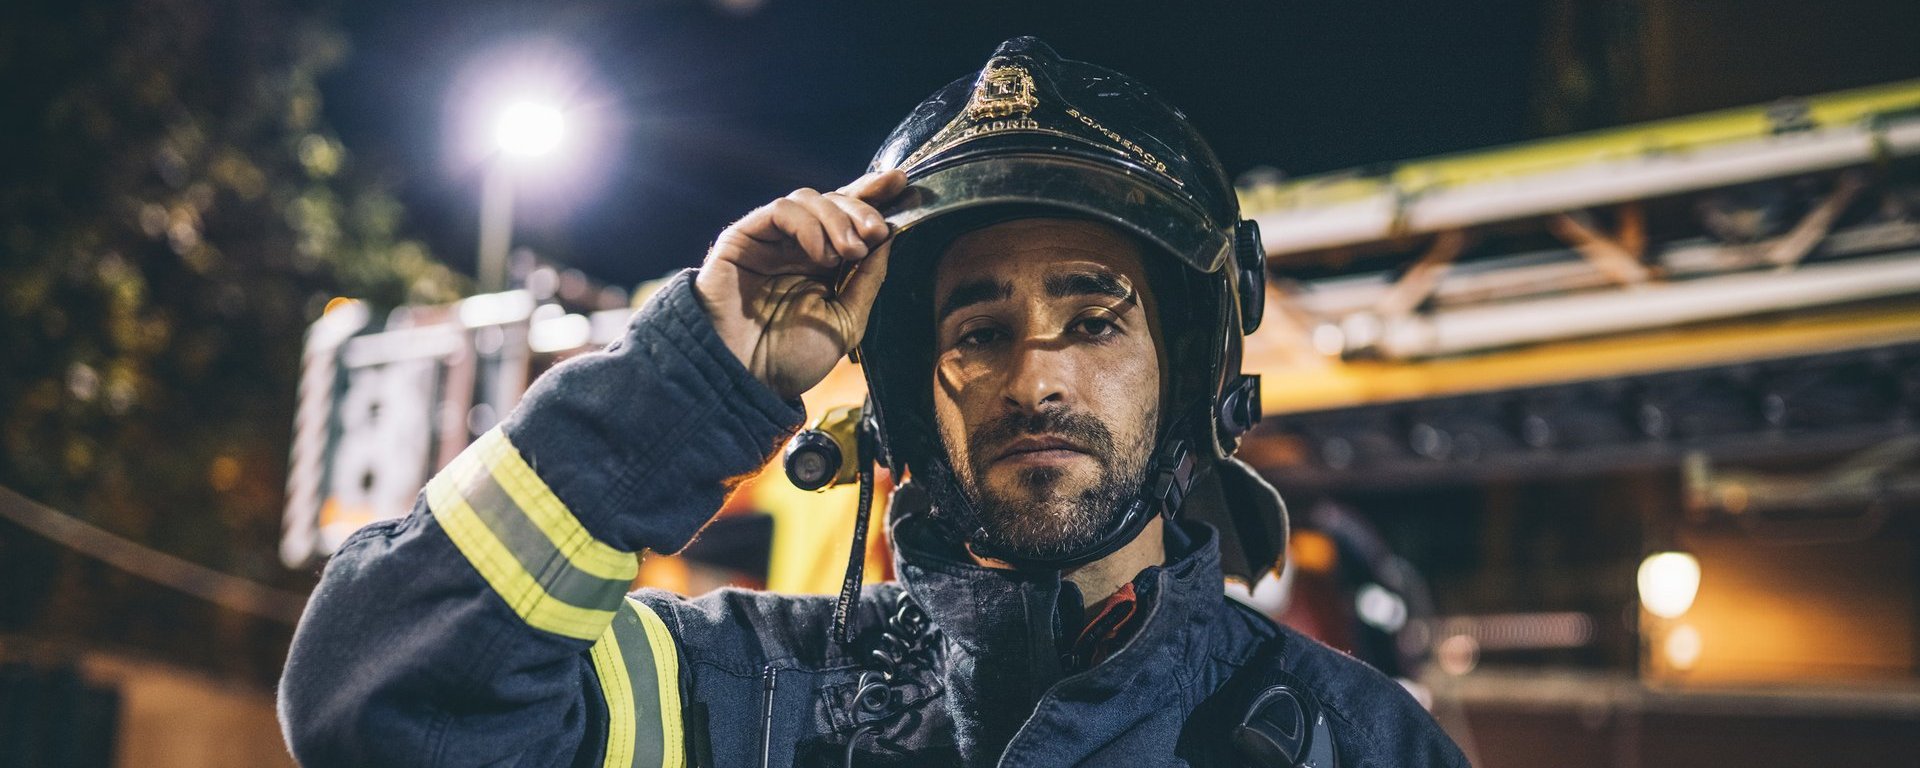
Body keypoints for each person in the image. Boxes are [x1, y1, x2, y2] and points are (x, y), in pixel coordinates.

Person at [279, 37, 1469, 767]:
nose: (1036, 377)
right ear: (906, 389)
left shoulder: (1360, 745)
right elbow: (387, 708)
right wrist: (694, 377)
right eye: (977, 332)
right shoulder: (738, 701)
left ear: (1192, 363)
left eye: (1095, 319)